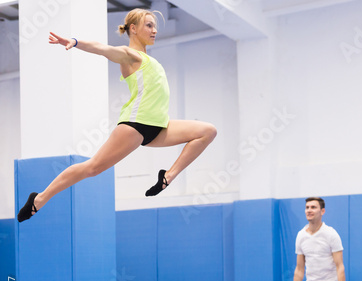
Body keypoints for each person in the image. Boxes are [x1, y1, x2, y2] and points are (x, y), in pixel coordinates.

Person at [17, 9, 217, 222]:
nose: (154, 30)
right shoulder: (129, 55)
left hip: (159, 126)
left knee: (207, 131)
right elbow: (103, 49)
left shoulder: (149, 59)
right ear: (133, 29)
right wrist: (75, 41)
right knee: (93, 168)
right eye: (149, 25)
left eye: (154, 26)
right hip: (136, 124)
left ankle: (167, 177)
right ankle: (39, 198)